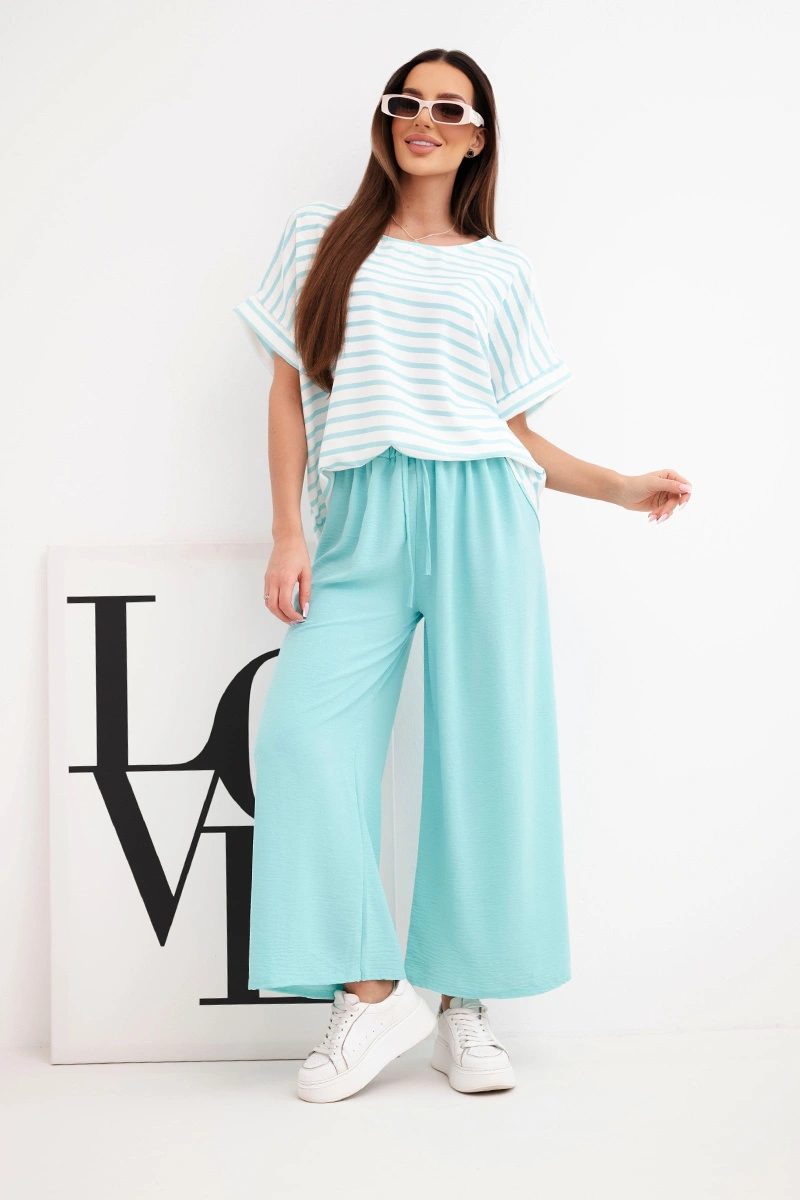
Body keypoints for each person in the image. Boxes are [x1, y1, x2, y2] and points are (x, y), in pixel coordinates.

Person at [233, 48, 692, 1105]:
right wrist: (286, 531)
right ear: (385, 119)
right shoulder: (318, 238)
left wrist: (618, 487)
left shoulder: (500, 270)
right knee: (301, 739)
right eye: (408, 102)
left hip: (483, 512)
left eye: (451, 108)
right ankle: (370, 993)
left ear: (478, 135)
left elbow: (512, 432)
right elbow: (287, 392)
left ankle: (463, 1006)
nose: (425, 119)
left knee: (488, 757)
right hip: (358, 517)